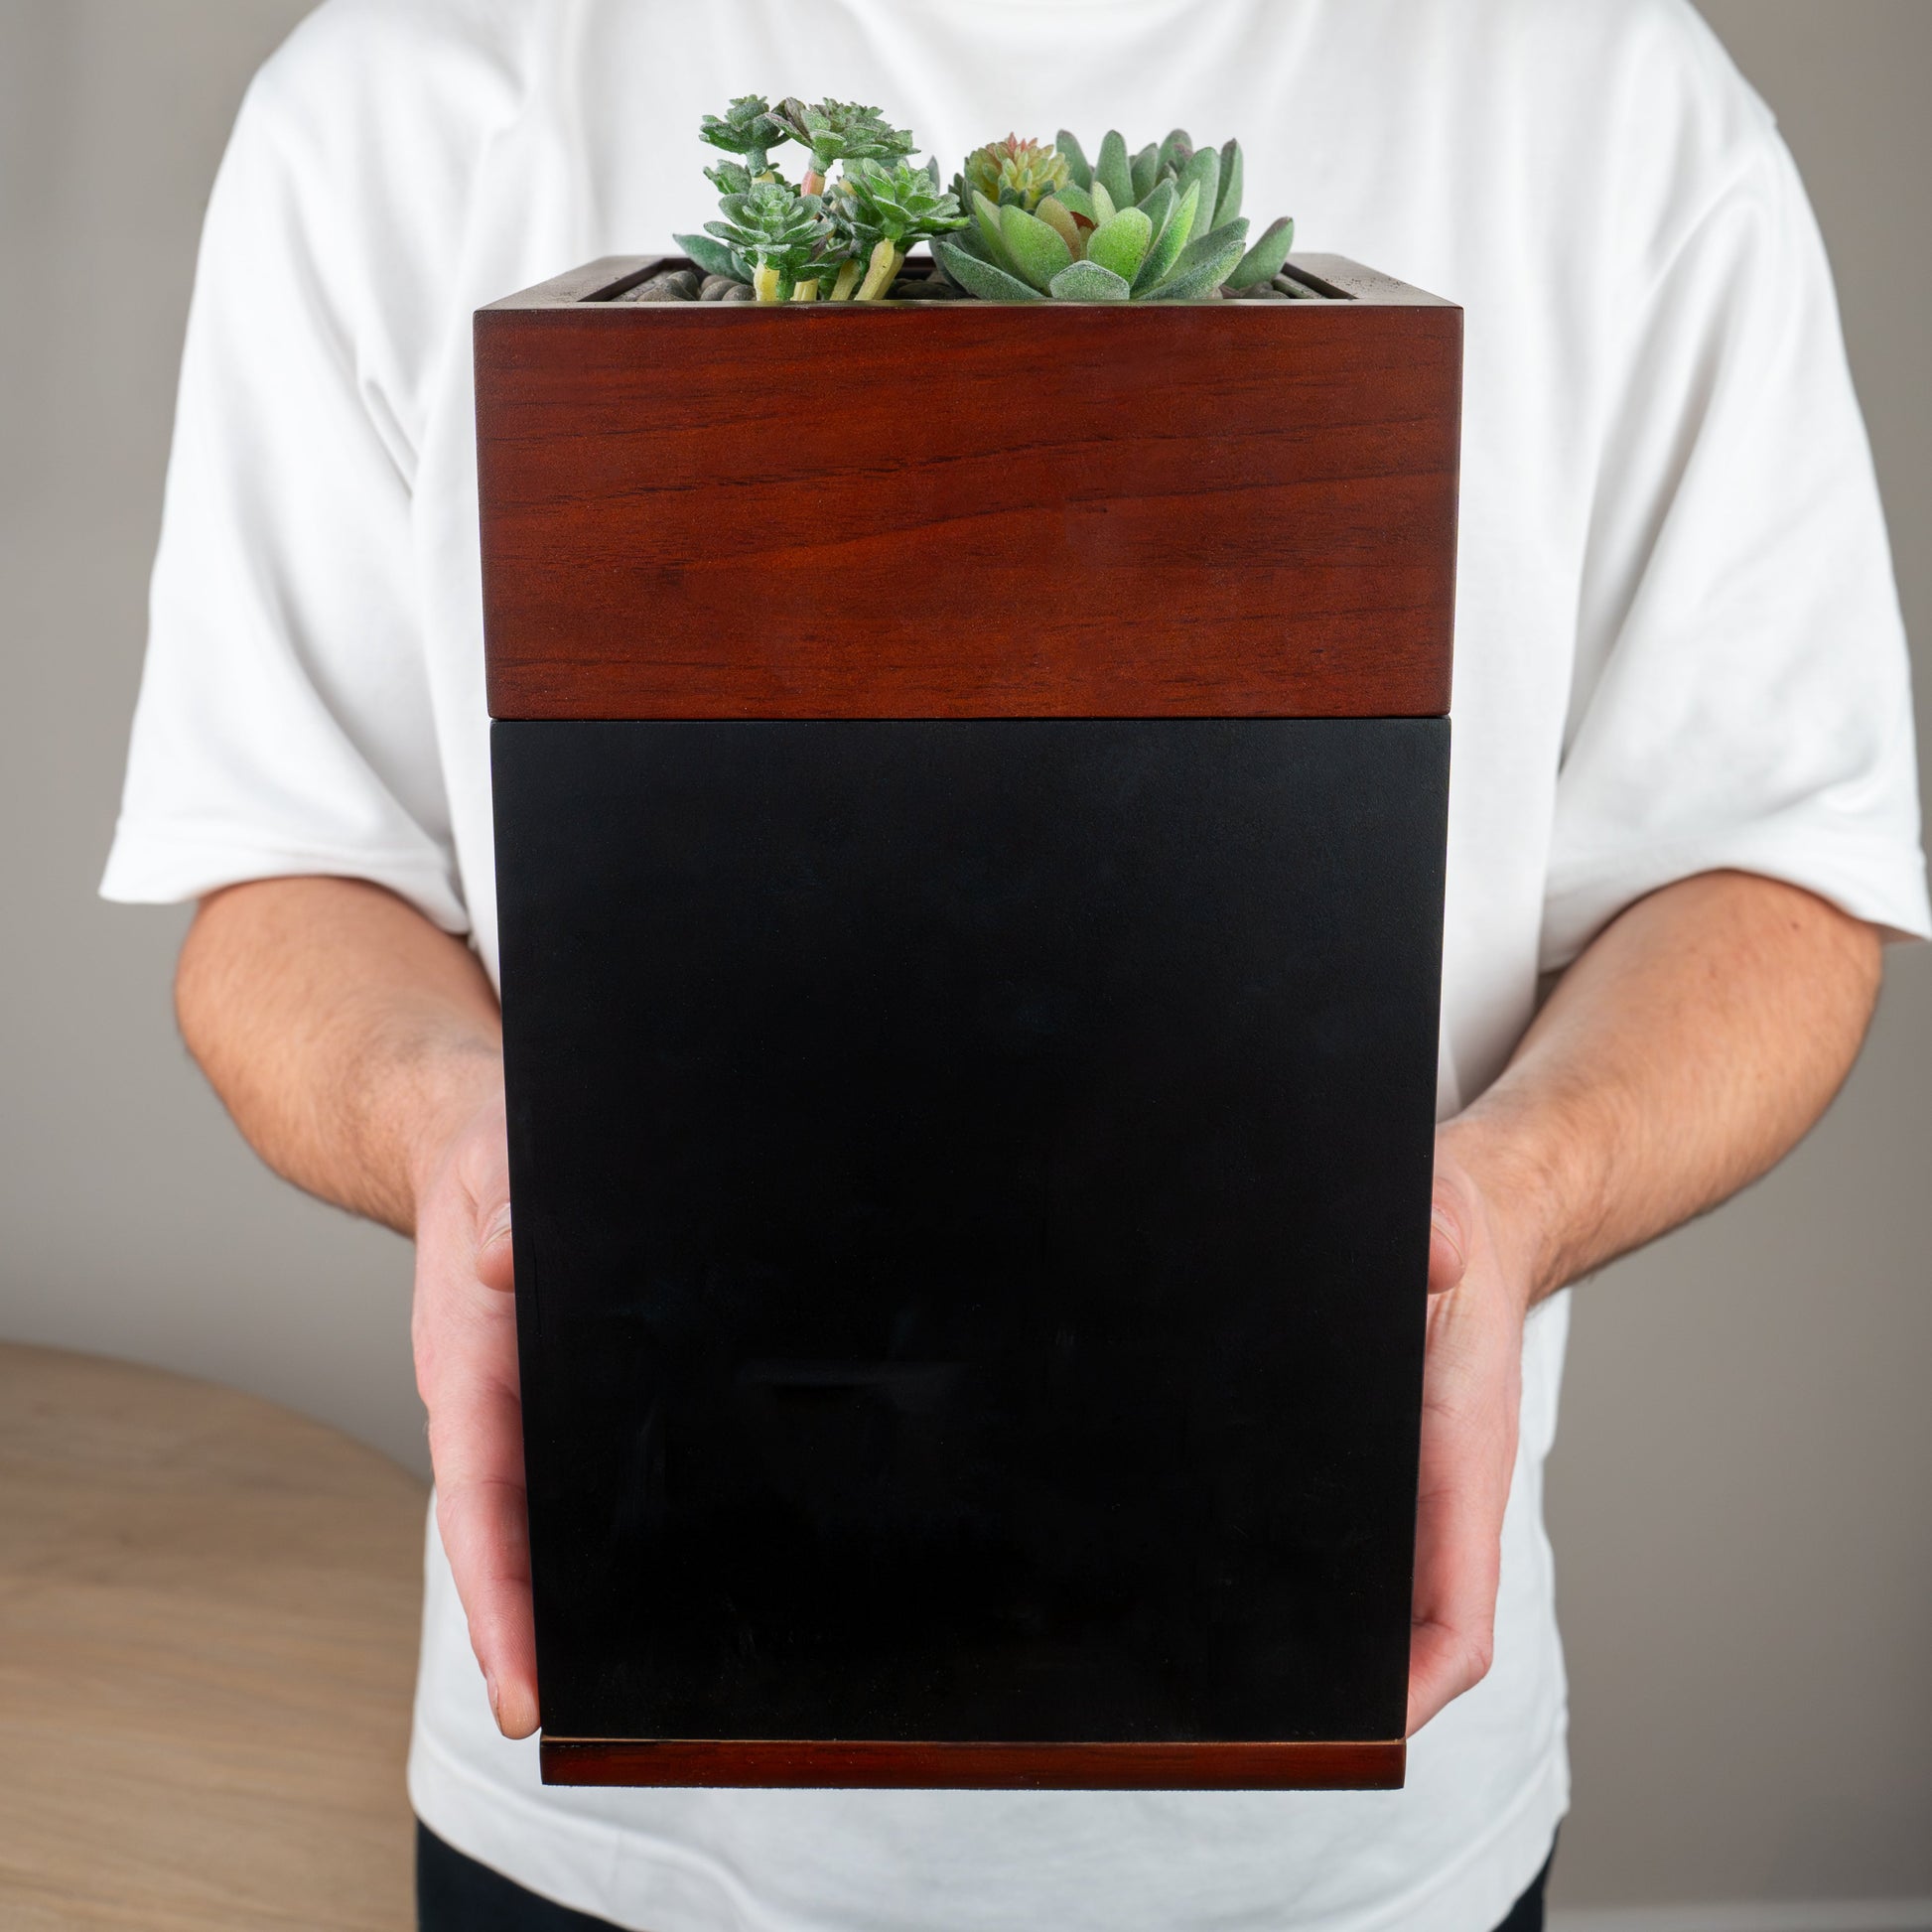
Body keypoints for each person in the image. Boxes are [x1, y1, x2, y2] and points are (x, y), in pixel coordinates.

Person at [103, 0, 1927, 1927]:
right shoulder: (411, 77)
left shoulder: (1598, 79)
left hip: (1343, 1834)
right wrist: (458, 1139)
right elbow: (282, 882)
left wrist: (1514, 1196)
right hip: (620, 1820)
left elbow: (1771, 879)